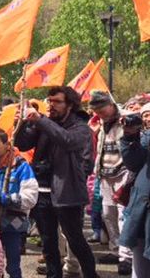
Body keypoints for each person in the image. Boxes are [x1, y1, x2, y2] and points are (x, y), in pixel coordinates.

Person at [14, 86, 98, 278]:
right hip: (43, 191)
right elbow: (23, 143)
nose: (51, 105)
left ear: (70, 104)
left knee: (75, 239)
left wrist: (41, 120)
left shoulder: (81, 127)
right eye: (49, 101)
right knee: (48, 241)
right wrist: (19, 122)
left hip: (67, 193)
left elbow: (67, 140)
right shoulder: (45, 124)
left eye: (57, 102)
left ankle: (91, 274)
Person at [0, 128, 39, 278]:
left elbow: (31, 197)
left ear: (7, 145)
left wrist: (9, 199)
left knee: (13, 266)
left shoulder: (21, 166)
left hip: (13, 226)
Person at [87, 90, 133, 274]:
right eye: (96, 109)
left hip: (124, 173)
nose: (99, 112)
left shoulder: (127, 118)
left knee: (124, 216)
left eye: (101, 108)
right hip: (105, 174)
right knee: (108, 214)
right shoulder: (101, 122)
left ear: (111, 104)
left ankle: (126, 257)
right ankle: (115, 250)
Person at [119, 103, 150, 277]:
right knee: (140, 268)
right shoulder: (143, 138)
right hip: (141, 208)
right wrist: (130, 136)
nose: (148, 118)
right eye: (145, 115)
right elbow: (133, 162)